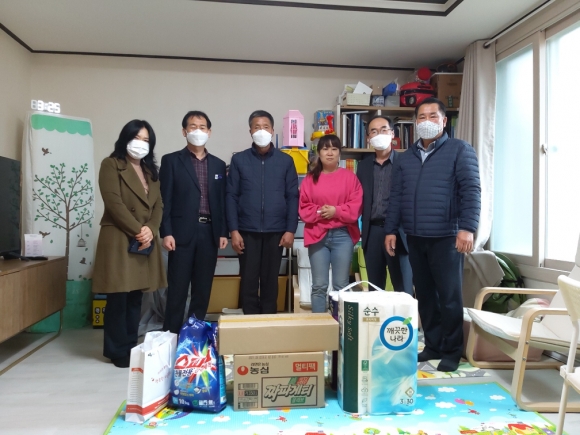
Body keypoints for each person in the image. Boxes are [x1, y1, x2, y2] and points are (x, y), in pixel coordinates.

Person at [385, 97, 481, 372]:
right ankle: (433, 345)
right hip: (414, 237)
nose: (426, 121)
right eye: (421, 117)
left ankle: (452, 351)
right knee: (425, 296)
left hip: (447, 237)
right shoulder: (406, 158)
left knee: (449, 297)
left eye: (432, 116)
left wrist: (467, 228)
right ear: (415, 122)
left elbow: (471, 190)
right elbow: (396, 196)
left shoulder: (460, 150)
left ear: (444, 121)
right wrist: (391, 229)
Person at [93, 119, 167, 368]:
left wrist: (151, 229)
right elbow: (113, 203)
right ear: (125, 138)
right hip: (119, 236)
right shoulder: (111, 164)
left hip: (144, 238)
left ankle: (130, 344)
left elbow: (159, 205)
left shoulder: (151, 171)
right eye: (137, 138)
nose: (141, 144)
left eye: (146, 140)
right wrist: (139, 230)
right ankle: (116, 351)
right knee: (119, 296)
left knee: (135, 296)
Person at [159, 111, 227, 333]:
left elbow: (222, 200)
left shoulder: (218, 165)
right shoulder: (171, 161)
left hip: (209, 232)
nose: (198, 131)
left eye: (202, 127)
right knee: (177, 289)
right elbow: (164, 200)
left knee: (202, 289)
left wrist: (223, 231)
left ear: (209, 132)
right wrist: (166, 231)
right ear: (184, 131)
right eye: (193, 126)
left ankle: (194, 336)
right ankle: (171, 335)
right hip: (181, 233)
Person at [226, 110, 298, 314]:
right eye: (256, 127)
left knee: (270, 281)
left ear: (273, 130)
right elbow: (231, 196)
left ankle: (268, 322)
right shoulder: (239, 160)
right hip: (246, 231)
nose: (261, 131)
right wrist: (233, 230)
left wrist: (290, 230)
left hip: (276, 231)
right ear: (250, 131)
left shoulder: (285, 161)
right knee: (248, 281)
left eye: (265, 127)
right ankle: (250, 322)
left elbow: (293, 197)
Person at [299, 134, 362, 313]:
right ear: (318, 153)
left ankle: (342, 325)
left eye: (334, 149)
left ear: (339, 153)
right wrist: (322, 212)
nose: (330, 153)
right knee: (319, 285)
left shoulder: (350, 178)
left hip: (343, 235)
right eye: (325, 149)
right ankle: (320, 326)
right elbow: (304, 207)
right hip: (317, 235)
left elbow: (356, 206)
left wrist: (336, 211)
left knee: (341, 285)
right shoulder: (310, 179)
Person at [357, 116, 413, 295]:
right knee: (375, 289)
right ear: (368, 138)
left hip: (398, 232)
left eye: (383, 130)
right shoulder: (363, 166)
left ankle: (405, 315)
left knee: (403, 289)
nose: (378, 134)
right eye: (373, 131)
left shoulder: (406, 163)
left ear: (392, 133)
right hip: (372, 232)